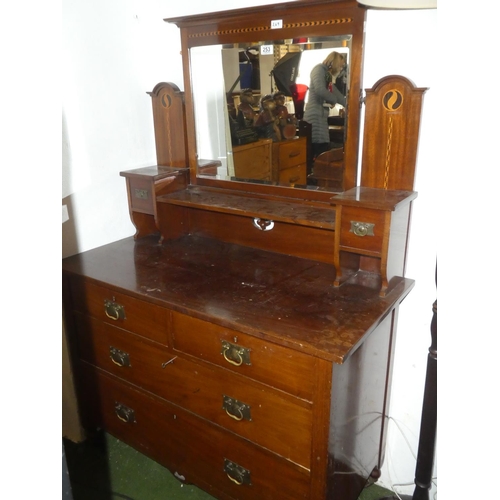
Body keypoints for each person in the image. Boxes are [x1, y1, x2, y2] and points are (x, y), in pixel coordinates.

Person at [303, 51, 346, 159]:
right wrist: (334, 100)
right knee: (319, 148)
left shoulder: (326, 75)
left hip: (320, 116)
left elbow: (333, 91)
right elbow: (320, 90)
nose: (340, 69)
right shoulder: (319, 70)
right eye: (340, 66)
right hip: (315, 116)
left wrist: (348, 103)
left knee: (322, 147)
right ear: (335, 63)